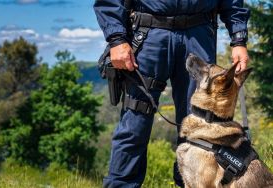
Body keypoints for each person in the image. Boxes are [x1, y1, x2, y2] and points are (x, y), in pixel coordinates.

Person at [94, 0, 250, 187]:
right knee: (134, 125)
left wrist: (239, 38)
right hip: (148, 33)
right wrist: (116, 38)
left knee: (201, 128)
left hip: (199, 33)